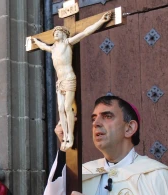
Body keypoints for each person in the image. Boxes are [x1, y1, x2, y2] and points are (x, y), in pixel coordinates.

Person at [40, 95, 168, 195]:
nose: (96, 123)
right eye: (93, 118)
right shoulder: (85, 173)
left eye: (107, 116)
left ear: (129, 128)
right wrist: (65, 147)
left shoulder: (157, 176)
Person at [31, 12, 112, 151]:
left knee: (68, 107)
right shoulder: (53, 48)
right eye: (54, 33)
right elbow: (43, 46)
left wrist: (101, 21)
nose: (55, 34)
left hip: (68, 78)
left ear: (64, 34)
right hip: (60, 81)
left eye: (58, 32)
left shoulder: (68, 43)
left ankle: (71, 137)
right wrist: (34, 40)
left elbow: (86, 32)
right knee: (60, 109)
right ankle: (66, 136)